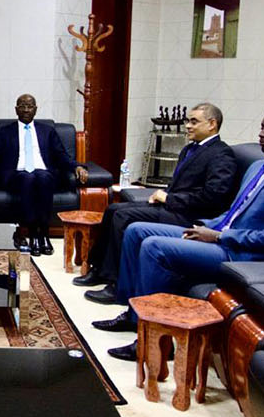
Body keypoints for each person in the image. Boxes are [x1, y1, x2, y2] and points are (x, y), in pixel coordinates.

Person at [94, 105, 264, 361]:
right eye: (262, 127)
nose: (261, 133)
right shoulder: (259, 166)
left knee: (154, 247)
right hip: (220, 236)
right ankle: (134, 315)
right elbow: (234, 213)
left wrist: (219, 236)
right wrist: (206, 226)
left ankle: (154, 343)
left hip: (246, 254)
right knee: (137, 231)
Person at [76, 103, 237, 295]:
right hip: (172, 207)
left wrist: (169, 198)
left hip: (189, 216)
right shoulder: (189, 149)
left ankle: (116, 283)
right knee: (113, 209)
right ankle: (99, 269)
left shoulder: (222, 154)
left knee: (122, 217)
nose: (187, 126)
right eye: (187, 121)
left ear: (212, 124)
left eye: (194, 122)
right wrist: (162, 195)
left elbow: (213, 197)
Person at [0, 94, 88, 255]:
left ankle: (44, 234)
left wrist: (77, 167)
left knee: (43, 177)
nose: (26, 110)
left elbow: (61, 155)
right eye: (22, 106)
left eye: (30, 106)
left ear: (35, 109)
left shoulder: (47, 131)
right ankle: (33, 234)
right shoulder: (5, 132)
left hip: (43, 172)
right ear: (16, 110)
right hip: (16, 173)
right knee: (28, 177)